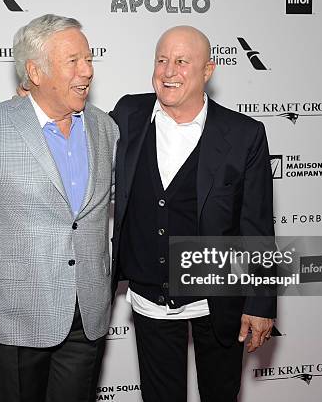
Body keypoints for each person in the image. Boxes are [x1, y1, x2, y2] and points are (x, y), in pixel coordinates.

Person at [0, 14, 118, 402]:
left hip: (86, 314)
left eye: (89, 59)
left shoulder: (105, 127)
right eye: (73, 61)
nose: (87, 71)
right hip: (17, 314)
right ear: (35, 71)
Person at [110, 26, 276, 402]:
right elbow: (75, 130)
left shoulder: (244, 133)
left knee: (220, 394)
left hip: (218, 297)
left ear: (208, 71)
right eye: (162, 60)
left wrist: (261, 302)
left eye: (182, 62)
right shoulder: (128, 114)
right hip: (150, 294)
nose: (169, 71)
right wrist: (34, 100)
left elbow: (257, 224)